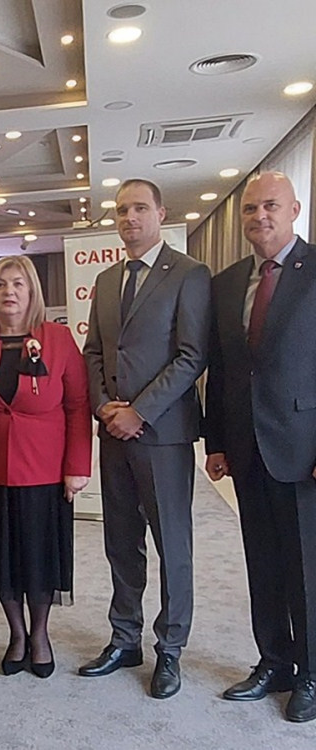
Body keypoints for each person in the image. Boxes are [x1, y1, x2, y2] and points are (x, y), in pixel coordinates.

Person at [81, 178, 210, 698]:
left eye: (139, 208)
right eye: (121, 210)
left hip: (163, 434)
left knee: (171, 546)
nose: (129, 218)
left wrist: (140, 411)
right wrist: (103, 407)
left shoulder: (189, 273)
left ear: (161, 213)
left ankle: (171, 649)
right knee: (120, 541)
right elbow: (93, 352)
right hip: (113, 433)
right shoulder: (108, 279)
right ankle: (125, 638)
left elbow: (192, 355)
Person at [205, 171, 316, 723]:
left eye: (270, 205)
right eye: (250, 209)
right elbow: (222, 369)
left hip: (302, 450)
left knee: (305, 569)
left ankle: (312, 673)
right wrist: (216, 441)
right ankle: (275, 662)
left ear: (294, 209)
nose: (259, 217)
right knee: (263, 566)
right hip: (247, 449)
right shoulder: (227, 283)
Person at [0, 255, 91, 678]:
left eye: (17, 283)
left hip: (45, 471)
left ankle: (40, 634)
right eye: (0, 284)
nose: (8, 291)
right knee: (0, 558)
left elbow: (78, 406)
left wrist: (77, 465)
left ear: (32, 292)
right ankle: (16, 634)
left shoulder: (58, 339)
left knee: (39, 558)